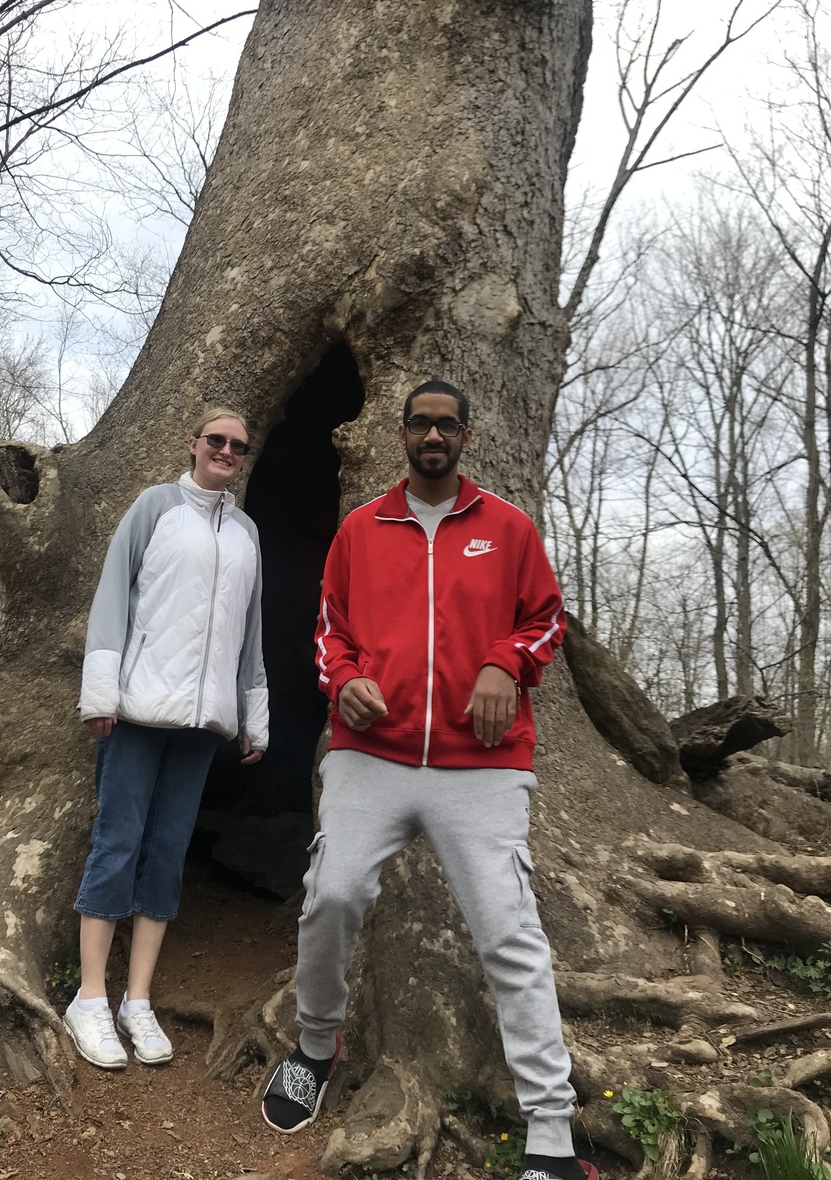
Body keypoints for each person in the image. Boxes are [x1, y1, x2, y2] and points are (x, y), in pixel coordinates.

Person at [261, 382, 597, 1180]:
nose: (434, 435)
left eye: (448, 424)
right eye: (422, 423)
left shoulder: (507, 530)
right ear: (403, 435)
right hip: (368, 756)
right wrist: (341, 681)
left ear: (466, 437)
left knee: (507, 933)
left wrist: (501, 664)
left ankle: (551, 1130)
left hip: (479, 765)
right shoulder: (359, 529)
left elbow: (544, 618)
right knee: (331, 895)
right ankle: (316, 1044)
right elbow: (327, 632)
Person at [64, 409, 269, 1070]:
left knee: (169, 853)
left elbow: (250, 632)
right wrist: (101, 693)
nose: (226, 451)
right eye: (216, 440)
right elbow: (112, 597)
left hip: (201, 723)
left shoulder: (245, 533)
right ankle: (90, 999)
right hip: (135, 711)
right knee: (117, 841)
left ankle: (137, 1000)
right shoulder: (155, 507)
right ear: (193, 445)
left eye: (237, 445)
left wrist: (251, 714)